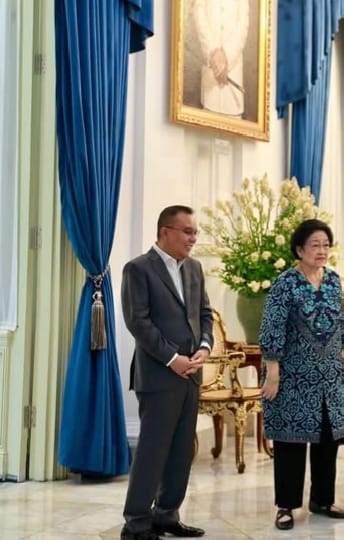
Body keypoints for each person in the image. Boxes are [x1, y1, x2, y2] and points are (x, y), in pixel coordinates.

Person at [120, 205, 211, 540]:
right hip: (160, 376)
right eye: (187, 231)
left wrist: (204, 346)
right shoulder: (138, 269)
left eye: (195, 232)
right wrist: (173, 359)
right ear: (164, 232)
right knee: (152, 451)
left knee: (181, 450)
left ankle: (167, 515)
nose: (193, 238)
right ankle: (137, 523)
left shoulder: (195, 269)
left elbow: (204, 312)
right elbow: (138, 322)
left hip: (192, 373)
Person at [259, 219, 344, 530]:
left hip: (329, 376)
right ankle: (285, 506)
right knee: (290, 441)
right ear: (299, 249)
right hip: (293, 375)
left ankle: (322, 500)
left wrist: (343, 352)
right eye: (315, 245)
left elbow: (341, 320)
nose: (322, 250)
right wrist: (272, 371)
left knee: (329, 440)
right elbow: (272, 326)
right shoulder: (285, 283)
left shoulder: (333, 280)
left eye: (326, 245)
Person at [192, 0, 249, 117]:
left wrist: (226, 57)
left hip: (233, 75)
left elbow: (243, 22)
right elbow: (199, 12)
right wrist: (213, 52)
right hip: (210, 77)